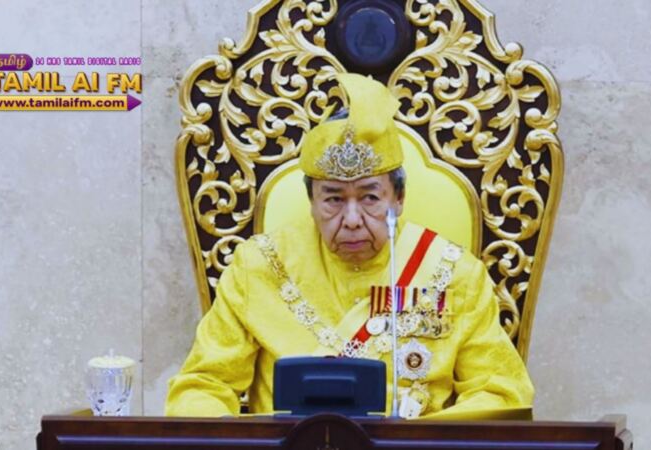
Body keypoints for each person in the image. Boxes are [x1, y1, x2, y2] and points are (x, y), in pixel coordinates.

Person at [165, 73, 534, 419]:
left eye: (370, 197)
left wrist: (418, 440)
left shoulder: (455, 272)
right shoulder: (259, 265)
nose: (353, 219)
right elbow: (203, 386)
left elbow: (501, 394)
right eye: (334, 199)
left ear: (399, 199)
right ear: (311, 202)